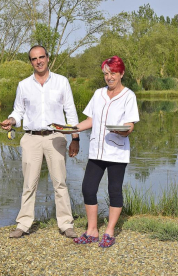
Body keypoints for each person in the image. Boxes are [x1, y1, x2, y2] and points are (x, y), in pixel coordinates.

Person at [0, 45, 80, 239]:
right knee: (29, 183)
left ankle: (66, 224)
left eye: (41, 57)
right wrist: (11, 121)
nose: (39, 61)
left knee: (60, 182)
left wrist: (75, 138)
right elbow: (18, 111)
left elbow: (70, 111)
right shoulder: (23, 85)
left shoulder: (61, 82)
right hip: (31, 138)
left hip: (56, 137)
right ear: (31, 62)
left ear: (48, 58)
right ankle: (24, 224)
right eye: (34, 59)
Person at [73, 56, 139, 247]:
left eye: (113, 73)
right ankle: (91, 230)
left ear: (121, 74)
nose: (109, 77)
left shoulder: (129, 96)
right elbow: (91, 120)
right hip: (96, 150)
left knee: (114, 190)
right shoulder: (98, 94)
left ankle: (109, 232)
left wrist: (122, 130)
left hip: (117, 151)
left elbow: (130, 125)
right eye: (106, 73)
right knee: (88, 188)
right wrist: (71, 128)